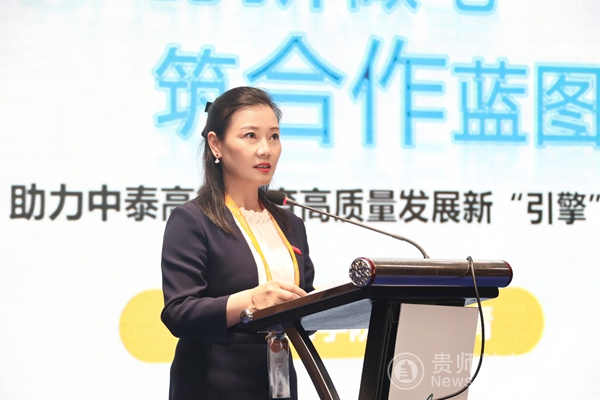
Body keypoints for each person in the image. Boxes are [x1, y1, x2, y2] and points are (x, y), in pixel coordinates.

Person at [160, 86, 315, 400]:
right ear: (216, 144)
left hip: (279, 380)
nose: (265, 149)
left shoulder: (290, 224)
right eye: (250, 136)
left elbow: (305, 310)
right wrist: (252, 300)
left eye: (273, 136)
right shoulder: (193, 220)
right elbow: (179, 313)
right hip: (214, 383)